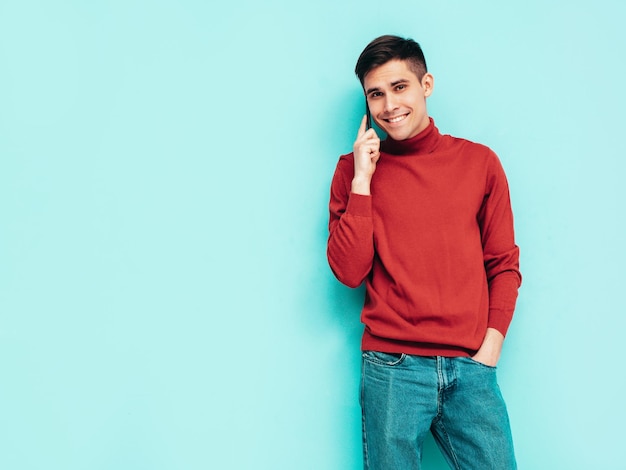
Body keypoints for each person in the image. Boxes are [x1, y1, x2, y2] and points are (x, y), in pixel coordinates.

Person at [327, 35, 521, 469]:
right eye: (376, 94)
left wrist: (488, 349)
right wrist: (362, 182)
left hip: (470, 367)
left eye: (400, 87)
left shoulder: (479, 163)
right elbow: (349, 271)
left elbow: (504, 265)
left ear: (426, 85)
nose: (389, 105)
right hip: (392, 370)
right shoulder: (351, 170)